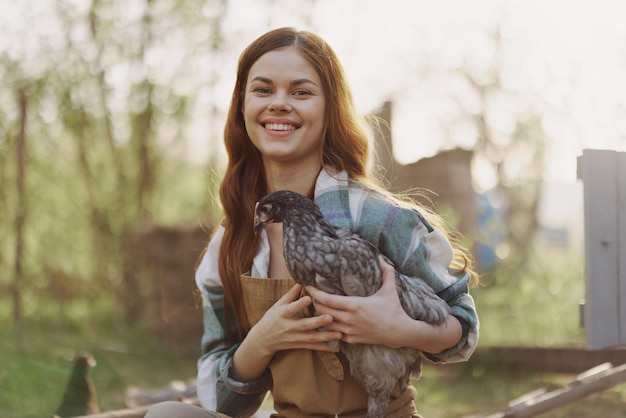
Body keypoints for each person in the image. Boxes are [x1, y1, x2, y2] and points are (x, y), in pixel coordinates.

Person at [145, 27, 479, 418]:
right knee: (168, 415)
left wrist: (397, 329)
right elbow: (222, 400)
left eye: (301, 92)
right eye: (263, 90)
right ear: (242, 107)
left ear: (329, 109)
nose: (280, 104)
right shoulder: (232, 242)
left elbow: (463, 327)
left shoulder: (375, 217)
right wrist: (261, 341)